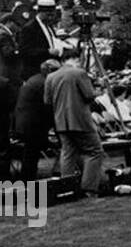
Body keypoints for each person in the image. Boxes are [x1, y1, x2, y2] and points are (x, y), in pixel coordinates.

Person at [44, 46, 108, 196]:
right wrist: (100, 87)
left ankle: (67, 188)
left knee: (68, 153)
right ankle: (89, 188)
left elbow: (47, 101)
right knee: (95, 152)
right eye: (78, 60)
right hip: (80, 119)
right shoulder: (79, 73)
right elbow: (89, 96)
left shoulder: (51, 76)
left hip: (61, 121)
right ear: (74, 59)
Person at [14, 58, 59, 180]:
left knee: (30, 154)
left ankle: (28, 178)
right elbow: (49, 106)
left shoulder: (35, 79)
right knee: (31, 154)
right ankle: (28, 179)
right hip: (33, 124)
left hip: (26, 122)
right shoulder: (44, 83)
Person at [17, 0, 62, 82]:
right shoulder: (29, 28)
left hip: (49, 71)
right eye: (48, 15)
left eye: (52, 15)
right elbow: (24, 51)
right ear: (40, 12)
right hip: (35, 71)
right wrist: (47, 52)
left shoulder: (49, 26)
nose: (51, 17)